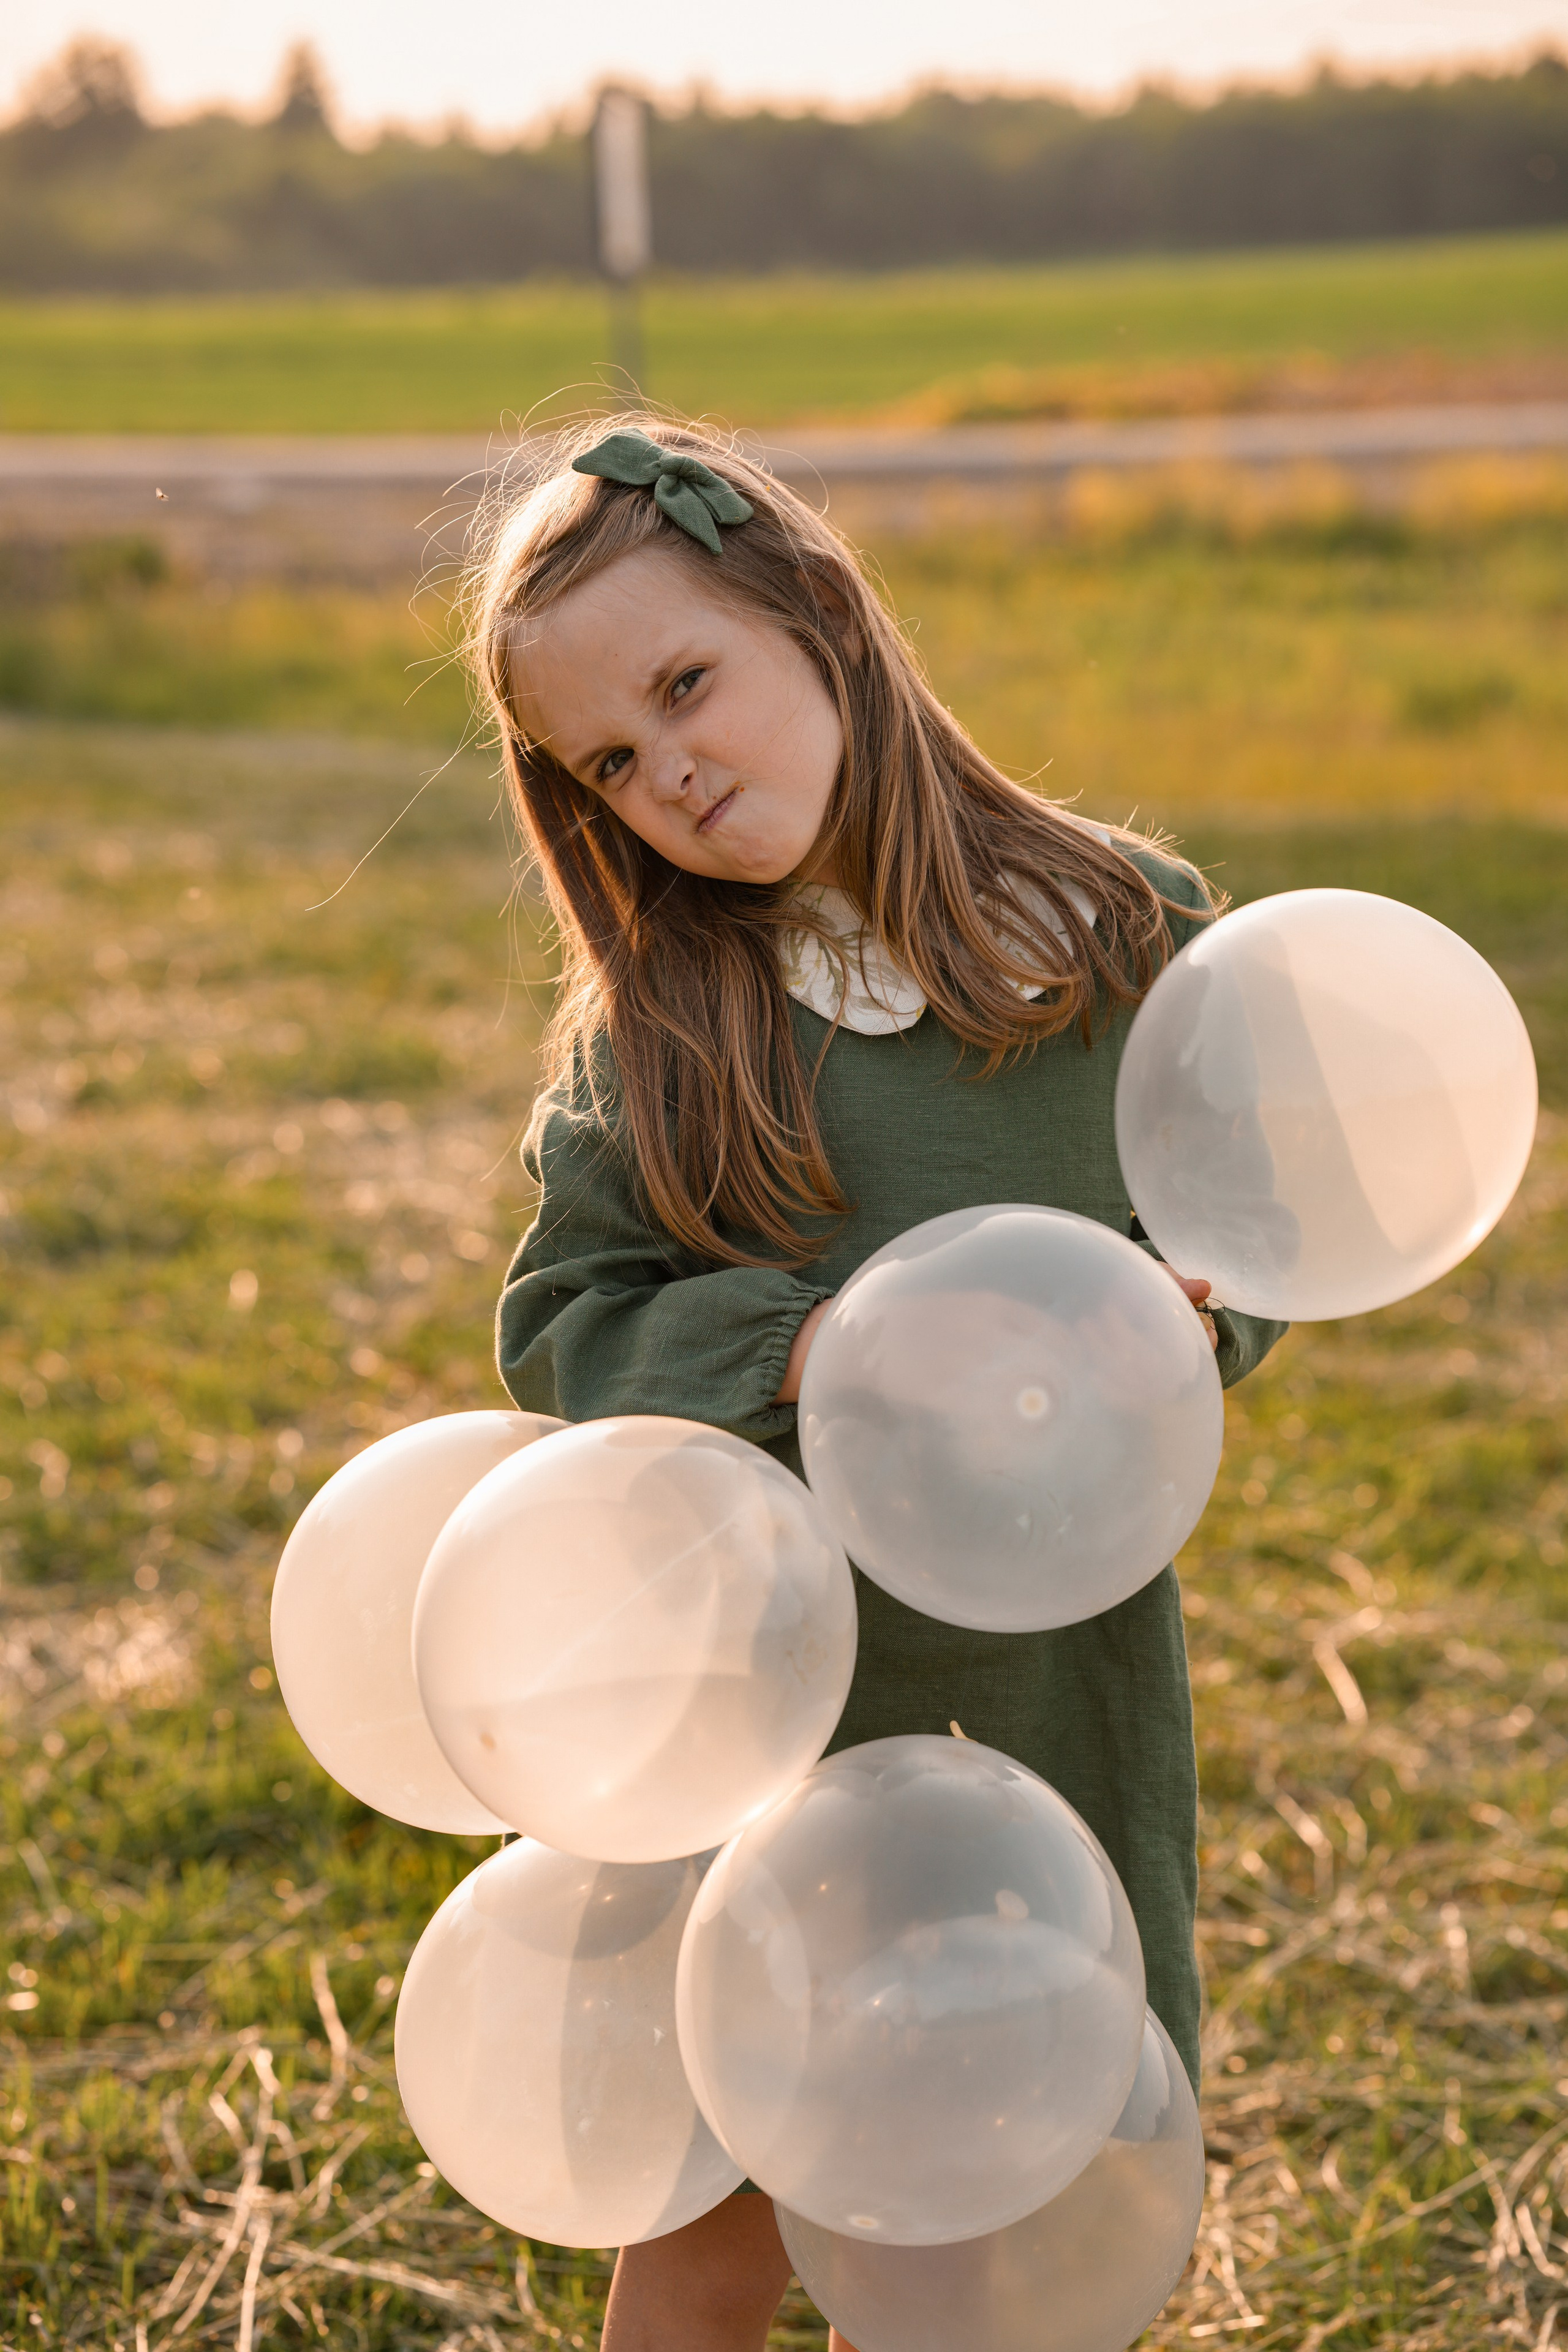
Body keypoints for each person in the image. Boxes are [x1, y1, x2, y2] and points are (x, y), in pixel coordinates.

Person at [466, 417, 1287, 2352]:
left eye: (686, 687)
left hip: (1037, 1691)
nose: (669, 771)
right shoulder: (665, 1034)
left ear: (820, 617)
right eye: (610, 760)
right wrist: (805, 1344)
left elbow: (1248, 1227)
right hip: (760, 1702)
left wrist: (1189, 1327)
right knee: (723, 2183)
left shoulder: (1119, 939)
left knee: (969, 2188)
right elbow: (565, 1320)